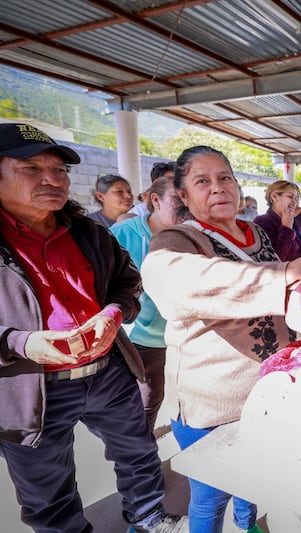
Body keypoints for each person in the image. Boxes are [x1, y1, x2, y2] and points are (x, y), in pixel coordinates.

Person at [141, 145, 301, 533]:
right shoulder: (178, 241)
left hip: (266, 394)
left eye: (225, 178)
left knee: (254, 485)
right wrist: (281, 274)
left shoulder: (256, 232)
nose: (217, 188)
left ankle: (249, 527)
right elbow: (176, 281)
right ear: (183, 196)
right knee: (212, 495)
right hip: (213, 401)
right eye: (202, 181)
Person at [0, 123, 185, 532]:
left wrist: (112, 315)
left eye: (60, 170)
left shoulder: (87, 231)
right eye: (31, 168)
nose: (52, 179)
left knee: (138, 451)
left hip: (107, 370)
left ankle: (151, 518)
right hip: (31, 385)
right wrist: (24, 343)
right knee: (48, 491)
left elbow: (127, 281)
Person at [110, 175, 180, 432]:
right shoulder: (121, 234)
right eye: (177, 199)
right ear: (155, 200)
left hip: (182, 337)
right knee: (145, 402)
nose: (185, 205)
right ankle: (137, 455)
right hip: (138, 340)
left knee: (173, 401)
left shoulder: (192, 234)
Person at [253, 180, 301, 261]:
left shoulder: (295, 222)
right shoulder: (262, 222)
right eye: (290, 197)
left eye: (296, 198)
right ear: (274, 197)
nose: (294, 202)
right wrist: (286, 228)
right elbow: (274, 260)